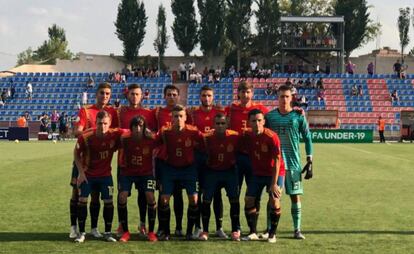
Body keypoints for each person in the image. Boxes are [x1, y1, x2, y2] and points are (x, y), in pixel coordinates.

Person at [68, 83, 119, 240]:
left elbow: (115, 132)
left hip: (101, 163)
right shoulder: (86, 110)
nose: (104, 96)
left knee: (96, 195)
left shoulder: (112, 112)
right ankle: (74, 227)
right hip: (84, 160)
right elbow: (78, 130)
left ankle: (94, 228)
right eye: (102, 93)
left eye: (107, 93)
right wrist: (92, 133)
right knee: (77, 193)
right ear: (96, 94)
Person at [265, 84, 313, 240]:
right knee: (273, 198)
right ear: (277, 98)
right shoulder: (270, 117)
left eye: (287, 96)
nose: (284, 99)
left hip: (293, 163)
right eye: (281, 96)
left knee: (295, 196)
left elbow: (307, 137)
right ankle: (269, 229)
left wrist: (309, 158)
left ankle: (297, 229)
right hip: (275, 165)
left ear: (292, 98)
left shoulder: (298, 116)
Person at [74, 111, 123, 243]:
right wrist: (81, 173)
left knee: (108, 202)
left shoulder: (115, 134)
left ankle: (107, 232)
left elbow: (130, 132)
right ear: (95, 123)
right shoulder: (86, 137)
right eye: (100, 123)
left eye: (105, 123)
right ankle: (82, 233)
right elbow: (76, 154)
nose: (102, 126)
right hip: (88, 175)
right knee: (82, 200)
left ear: (110, 123)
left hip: (106, 176)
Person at [156, 105, 203, 240]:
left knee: (194, 199)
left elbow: (205, 143)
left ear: (186, 117)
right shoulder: (165, 131)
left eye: (181, 116)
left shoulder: (193, 131)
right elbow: (154, 141)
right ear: (171, 118)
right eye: (175, 116)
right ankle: (166, 232)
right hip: (170, 168)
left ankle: (189, 232)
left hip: (188, 169)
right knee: (164, 199)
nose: (178, 119)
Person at [115, 84, 156, 237]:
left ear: (142, 96)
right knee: (122, 193)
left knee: (145, 194)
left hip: (144, 162)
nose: (134, 96)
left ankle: (143, 224)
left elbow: (155, 133)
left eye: (137, 94)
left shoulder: (149, 113)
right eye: (132, 94)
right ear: (127, 95)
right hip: (124, 161)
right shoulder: (120, 112)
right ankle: (121, 225)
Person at [187, 86, 226, 239]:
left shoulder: (220, 113)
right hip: (197, 158)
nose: (207, 98)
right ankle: (198, 226)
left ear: (213, 97)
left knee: (216, 193)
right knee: (197, 193)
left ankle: (219, 227)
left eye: (209, 95)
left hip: (214, 157)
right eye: (204, 95)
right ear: (200, 97)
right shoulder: (192, 114)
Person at [241, 109, 283, 243]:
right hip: (257, 173)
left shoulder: (272, 137)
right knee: (249, 199)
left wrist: (274, 183)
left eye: (260, 120)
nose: (257, 123)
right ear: (249, 122)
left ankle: (272, 234)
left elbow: (277, 161)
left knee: (274, 200)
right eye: (254, 121)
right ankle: (253, 232)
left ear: (264, 122)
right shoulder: (247, 135)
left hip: (274, 173)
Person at [199, 113, 241, 241]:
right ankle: (205, 231)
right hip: (212, 172)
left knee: (234, 200)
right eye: (217, 123)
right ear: (213, 125)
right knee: (206, 200)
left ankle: (235, 230)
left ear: (227, 124)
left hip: (229, 172)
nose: (220, 126)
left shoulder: (235, 136)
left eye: (223, 123)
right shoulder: (206, 138)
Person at [153, 85, 186, 236]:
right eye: (169, 94)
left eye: (174, 94)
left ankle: (179, 227)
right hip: (163, 160)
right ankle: (162, 227)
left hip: (179, 160)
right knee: (162, 194)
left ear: (178, 96)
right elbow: (153, 133)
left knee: (178, 194)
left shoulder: (184, 112)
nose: (171, 97)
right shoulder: (158, 112)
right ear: (164, 96)